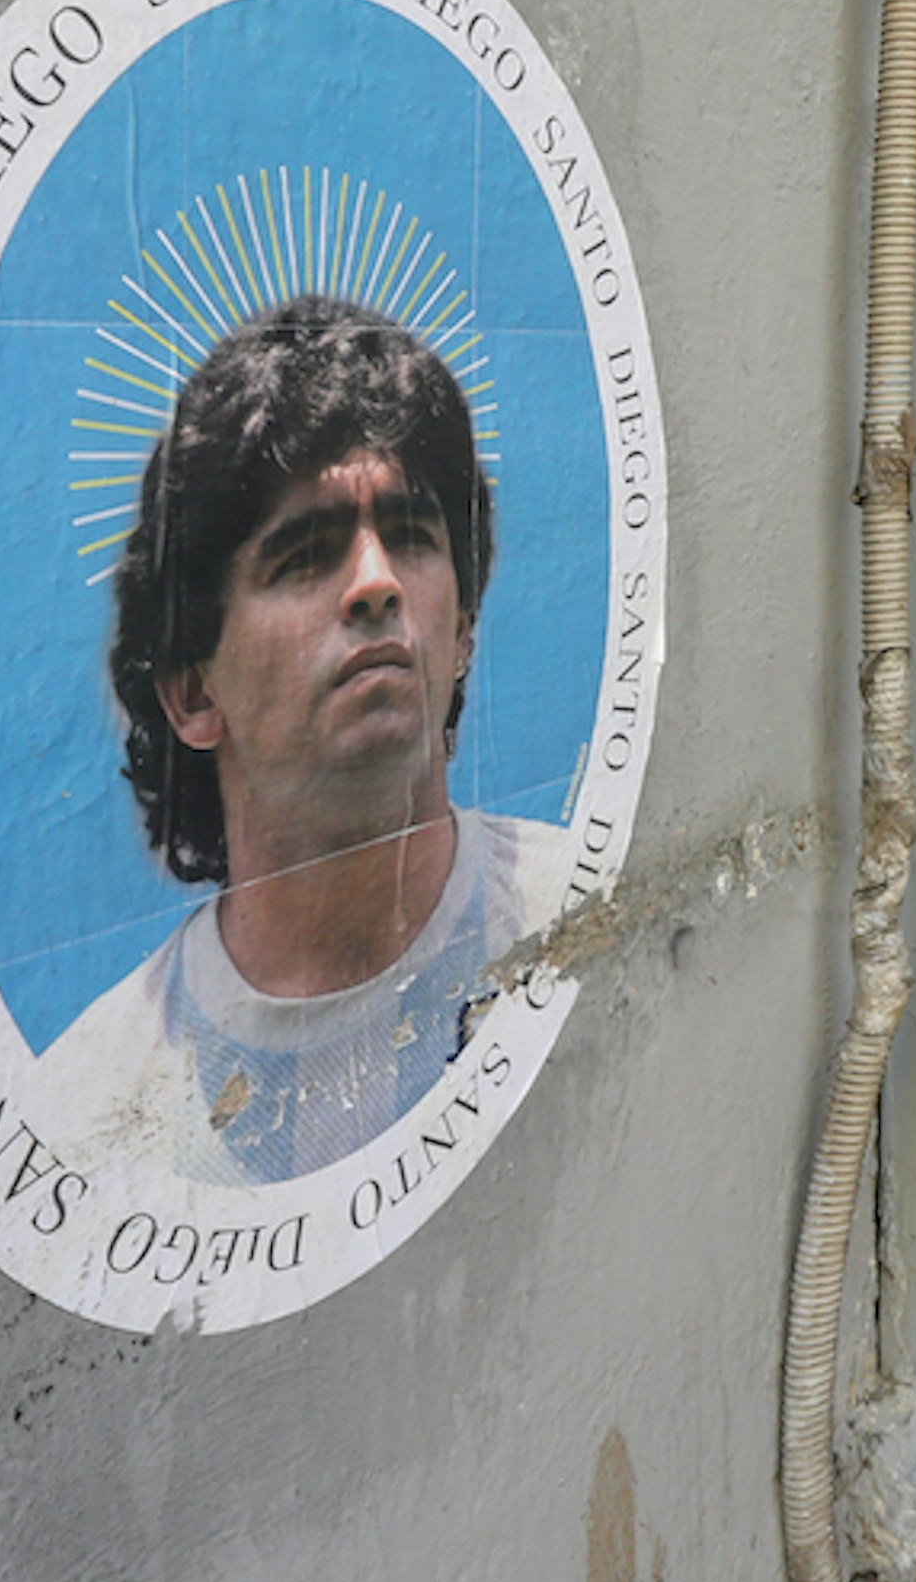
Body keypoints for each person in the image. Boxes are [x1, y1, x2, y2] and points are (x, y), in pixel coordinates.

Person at [41, 294, 569, 1184]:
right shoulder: (92, 1109)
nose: (376, 583)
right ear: (192, 693)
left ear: (465, 626)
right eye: (305, 555)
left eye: (410, 535)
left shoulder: (585, 909)